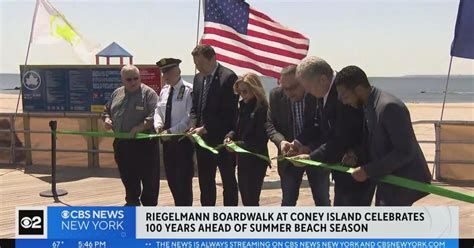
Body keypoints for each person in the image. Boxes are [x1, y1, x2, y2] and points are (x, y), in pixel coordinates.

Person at [335, 65, 431, 206]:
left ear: (359, 90)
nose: (344, 101)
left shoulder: (389, 107)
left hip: (404, 182)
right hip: (388, 178)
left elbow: (405, 151)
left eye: (345, 96)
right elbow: (375, 142)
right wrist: (356, 155)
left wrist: (368, 171)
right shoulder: (369, 104)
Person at [290, 57, 375, 206]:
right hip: (340, 169)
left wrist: (311, 158)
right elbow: (317, 125)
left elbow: (342, 138)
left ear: (322, 79)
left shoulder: (343, 94)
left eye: (309, 88)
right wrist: (297, 142)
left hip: (357, 168)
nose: (307, 92)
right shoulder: (320, 93)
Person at [264, 65, 329, 206]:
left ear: (303, 83)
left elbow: (323, 129)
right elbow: (270, 125)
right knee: (288, 201)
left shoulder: (317, 95)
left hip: (315, 154)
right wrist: (281, 142)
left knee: (322, 201)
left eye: (293, 87)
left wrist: (308, 147)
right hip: (289, 158)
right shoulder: (275, 96)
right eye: (285, 88)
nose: (289, 93)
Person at [188, 44, 239, 206]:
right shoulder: (197, 78)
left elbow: (229, 112)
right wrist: (193, 123)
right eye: (195, 64)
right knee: (205, 182)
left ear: (213, 59)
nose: (198, 67)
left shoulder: (228, 77)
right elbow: (196, 107)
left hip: (223, 140)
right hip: (202, 141)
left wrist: (206, 127)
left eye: (201, 63)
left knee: (228, 181)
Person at [102, 65, 159, 206]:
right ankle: (132, 203)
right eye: (129, 79)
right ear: (122, 79)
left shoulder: (149, 94)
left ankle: (149, 209)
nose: (133, 82)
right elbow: (106, 110)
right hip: (122, 143)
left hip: (144, 144)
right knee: (128, 177)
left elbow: (157, 114)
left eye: (136, 78)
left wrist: (140, 127)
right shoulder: (117, 93)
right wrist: (107, 119)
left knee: (149, 180)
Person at [224, 73, 269, 206]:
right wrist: (229, 137)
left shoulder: (262, 109)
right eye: (240, 92)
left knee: (251, 200)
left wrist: (236, 145)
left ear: (255, 89)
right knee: (245, 199)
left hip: (256, 160)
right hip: (243, 159)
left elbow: (260, 140)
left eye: (245, 91)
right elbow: (235, 128)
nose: (243, 95)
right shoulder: (242, 107)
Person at [154, 58, 194, 206]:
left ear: (178, 71)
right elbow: (158, 110)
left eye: (169, 72)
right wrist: (158, 125)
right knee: (172, 181)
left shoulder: (188, 90)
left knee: (183, 183)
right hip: (166, 143)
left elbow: (189, 118)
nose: (166, 75)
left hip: (181, 143)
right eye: (164, 72)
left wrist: (171, 132)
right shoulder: (164, 90)